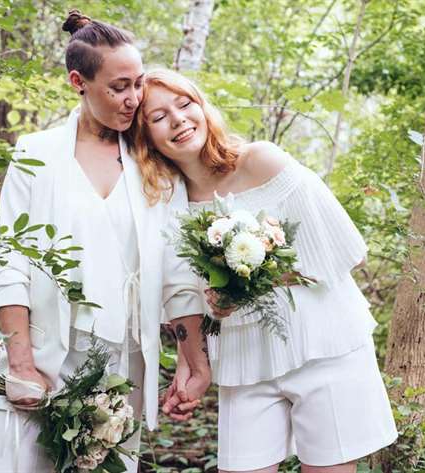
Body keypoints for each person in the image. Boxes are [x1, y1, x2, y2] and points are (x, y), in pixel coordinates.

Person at [128, 69, 398, 473]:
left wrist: (251, 278)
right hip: (244, 360)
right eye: (159, 116)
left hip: (322, 344)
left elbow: (348, 250)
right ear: (146, 136)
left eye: (185, 104)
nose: (179, 119)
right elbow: (180, 290)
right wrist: (192, 360)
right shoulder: (167, 202)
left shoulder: (260, 161)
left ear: (202, 107)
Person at [0, 16, 210, 472]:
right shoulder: (36, 153)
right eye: (118, 87)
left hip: (120, 369)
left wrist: (194, 363)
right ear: (78, 82)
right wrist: (22, 362)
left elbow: (177, 278)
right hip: (45, 356)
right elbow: (9, 260)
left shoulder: (157, 167)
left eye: (138, 84)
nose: (133, 99)